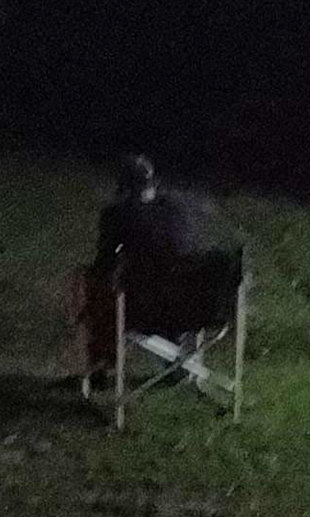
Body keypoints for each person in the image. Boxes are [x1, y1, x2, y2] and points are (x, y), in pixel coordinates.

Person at [78, 154, 220, 379]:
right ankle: (177, 363)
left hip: (145, 309)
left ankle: (101, 366)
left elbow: (105, 263)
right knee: (166, 285)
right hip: (194, 306)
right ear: (153, 183)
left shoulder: (118, 215)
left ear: (123, 188)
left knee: (97, 289)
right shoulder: (178, 209)